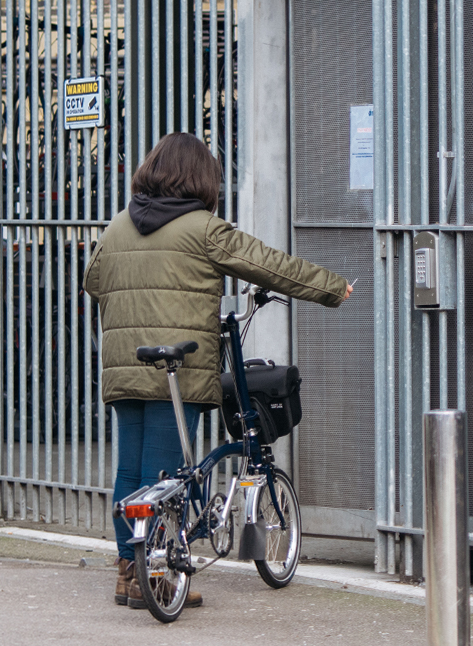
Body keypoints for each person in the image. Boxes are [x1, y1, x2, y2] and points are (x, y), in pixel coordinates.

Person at [82, 132, 352, 610]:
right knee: (166, 472)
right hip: (177, 368)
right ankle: (159, 577)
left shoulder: (118, 225)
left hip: (126, 365)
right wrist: (332, 287)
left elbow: (93, 281)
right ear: (202, 178)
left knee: (130, 468)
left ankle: (130, 572)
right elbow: (271, 266)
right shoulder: (203, 228)